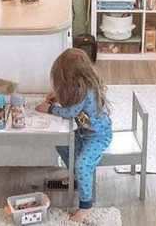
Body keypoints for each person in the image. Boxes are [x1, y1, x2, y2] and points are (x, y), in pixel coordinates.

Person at [36, 48, 113, 223]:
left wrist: (49, 108)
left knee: (82, 164)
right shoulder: (81, 87)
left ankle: (86, 206)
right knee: (61, 143)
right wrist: (56, 96)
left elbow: (71, 112)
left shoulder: (87, 91)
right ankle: (78, 175)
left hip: (98, 136)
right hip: (85, 133)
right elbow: (73, 104)